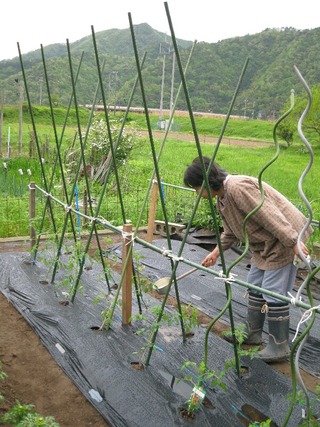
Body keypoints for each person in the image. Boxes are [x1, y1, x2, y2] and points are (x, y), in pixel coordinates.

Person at [184, 156, 313, 363]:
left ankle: (279, 346)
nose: (196, 193)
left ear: (207, 182)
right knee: (254, 285)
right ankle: (252, 334)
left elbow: (270, 216)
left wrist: (293, 241)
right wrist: (216, 252)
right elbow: (231, 231)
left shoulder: (238, 188)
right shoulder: (222, 198)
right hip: (265, 243)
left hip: (283, 238)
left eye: (197, 187)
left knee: (272, 291)